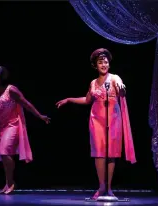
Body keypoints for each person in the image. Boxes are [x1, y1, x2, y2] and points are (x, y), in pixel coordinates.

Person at [56, 48, 136, 199]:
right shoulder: (92, 83)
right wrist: (69, 99)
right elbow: (87, 100)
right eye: (100, 62)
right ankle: (101, 186)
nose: (104, 64)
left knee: (111, 153)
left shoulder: (114, 78)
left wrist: (122, 88)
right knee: (99, 153)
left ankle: (110, 188)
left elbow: (121, 87)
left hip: (113, 119)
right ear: (95, 65)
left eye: (106, 62)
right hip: (96, 120)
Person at [0, 66, 50, 194]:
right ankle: (9, 182)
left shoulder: (11, 90)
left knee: (5, 152)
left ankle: (10, 183)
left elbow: (26, 104)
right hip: (1, 127)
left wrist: (40, 116)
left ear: (2, 77)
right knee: (5, 154)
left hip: (13, 125)